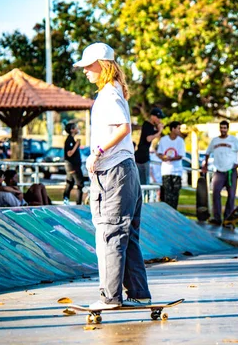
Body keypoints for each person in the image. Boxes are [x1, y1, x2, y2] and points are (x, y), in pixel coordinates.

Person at [74, 42, 151, 309]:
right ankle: (139, 292)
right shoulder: (115, 92)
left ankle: (110, 297)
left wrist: (96, 152)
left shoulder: (108, 94)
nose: (85, 71)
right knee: (126, 234)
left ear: (102, 65)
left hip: (113, 173)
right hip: (124, 172)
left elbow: (123, 128)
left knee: (110, 232)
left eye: (87, 66)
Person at [203, 120, 238, 226]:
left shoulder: (233, 140)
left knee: (231, 195)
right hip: (219, 171)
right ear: (219, 128)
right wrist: (205, 165)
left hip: (231, 171)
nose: (223, 130)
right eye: (221, 128)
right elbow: (207, 153)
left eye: (225, 128)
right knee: (215, 193)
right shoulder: (215, 141)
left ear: (227, 129)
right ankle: (217, 217)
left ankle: (228, 218)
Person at [156, 121, 185, 210]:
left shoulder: (180, 141)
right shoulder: (164, 140)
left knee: (175, 193)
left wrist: (171, 158)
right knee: (167, 194)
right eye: (178, 128)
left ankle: (174, 212)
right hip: (166, 171)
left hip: (177, 171)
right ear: (173, 129)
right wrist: (163, 158)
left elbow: (180, 155)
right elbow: (159, 153)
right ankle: (167, 212)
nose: (179, 130)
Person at [134, 107, 165, 185]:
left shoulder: (151, 126)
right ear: (153, 116)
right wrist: (159, 131)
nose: (159, 120)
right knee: (144, 182)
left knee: (143, 182)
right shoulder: (147, 125)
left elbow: (154, 135)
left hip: (143, 156)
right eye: (158, 117)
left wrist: (158, 129)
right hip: (142, 157)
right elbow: (148, 138)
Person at [63, 122, 85, 205]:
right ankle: (78, 203)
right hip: (73, 166)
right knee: (80, 184)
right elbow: (69, 153)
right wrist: (77, 144)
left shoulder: (71, 139)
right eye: (76, 127)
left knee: (70, 183)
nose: (77, 129)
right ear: (72, 130)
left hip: (73, 166)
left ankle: (66, 200)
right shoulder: (69, 140)